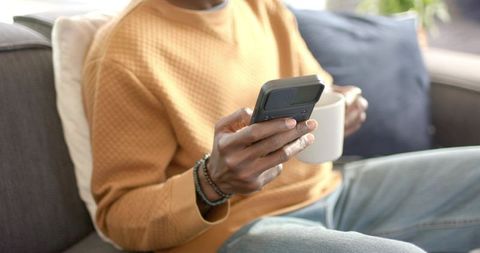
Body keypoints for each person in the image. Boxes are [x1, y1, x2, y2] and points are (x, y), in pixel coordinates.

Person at [82, 0, 480, 252]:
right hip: (239, 232)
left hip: (332, 190)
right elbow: (120, 219)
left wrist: (344, 108)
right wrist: (210, 182)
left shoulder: (263, 7)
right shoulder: (125, 51)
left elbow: (319, 89)